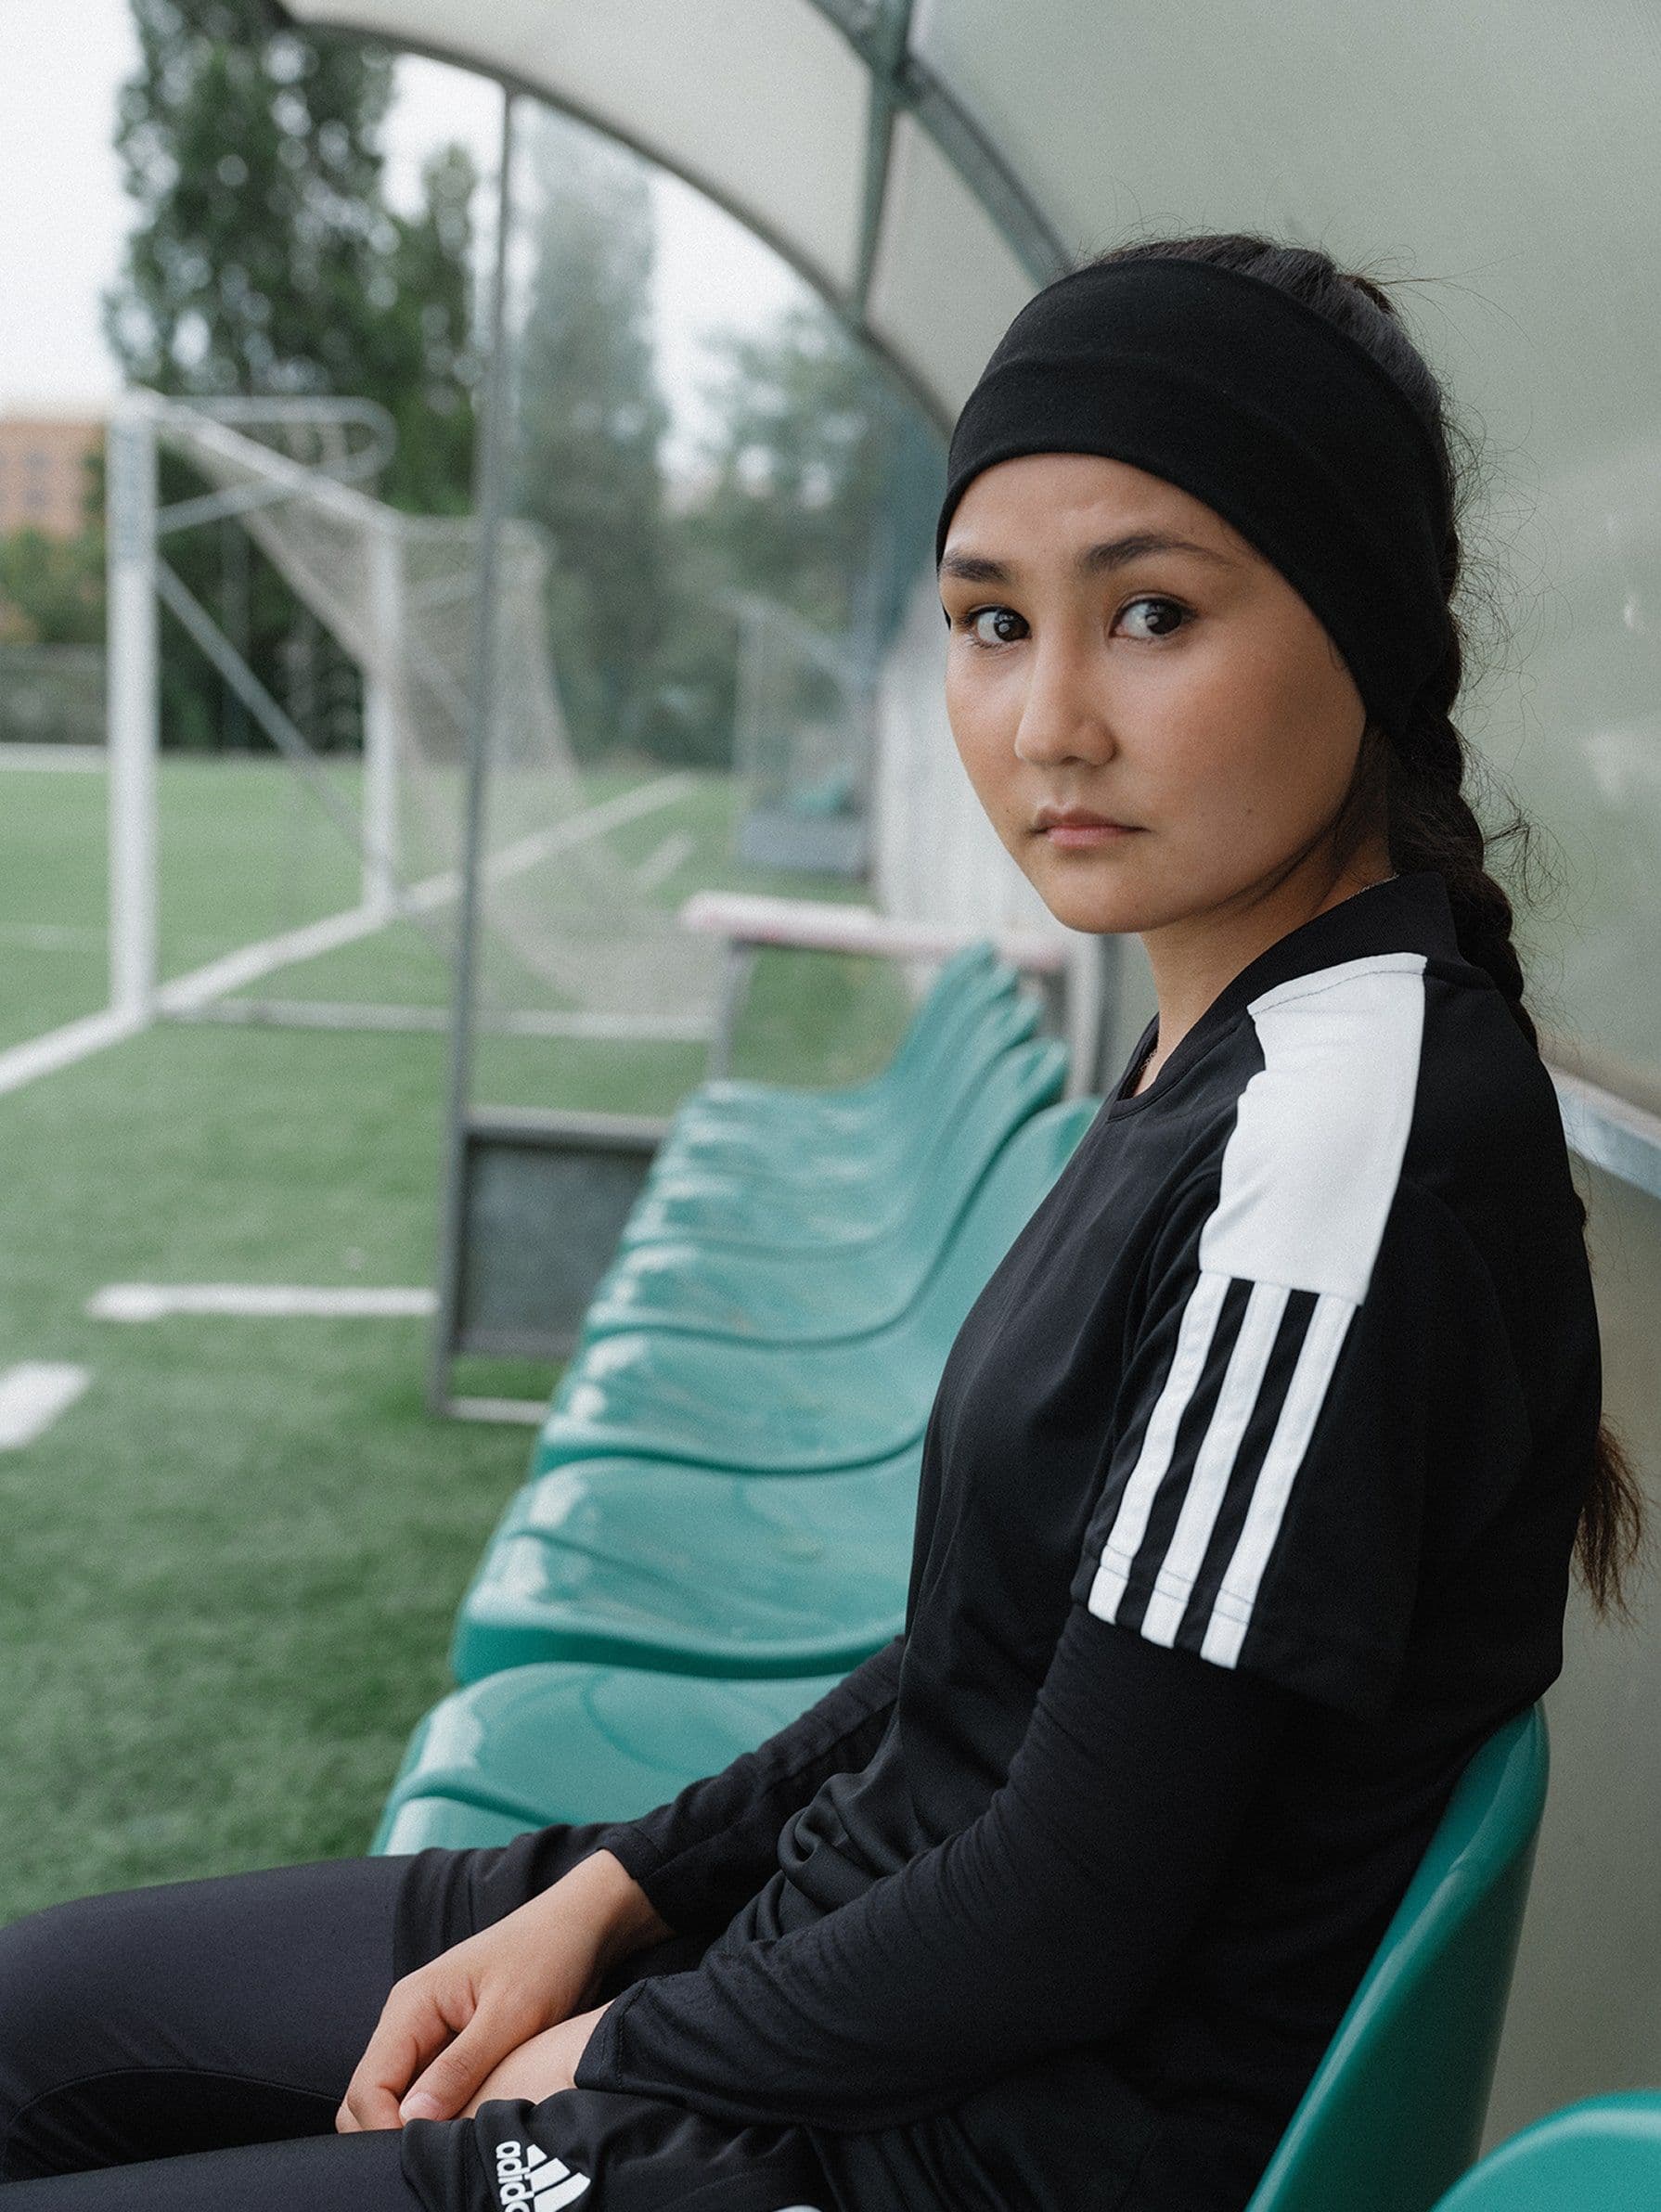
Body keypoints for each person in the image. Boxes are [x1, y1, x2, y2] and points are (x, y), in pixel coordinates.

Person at [0, 231, 1643, 2212]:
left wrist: (609, 2050)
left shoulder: (1347, 1127)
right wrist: (613, 1890)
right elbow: (982, 1663)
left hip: (947, 2140)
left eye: (1147, 612)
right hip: (814, 1960)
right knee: (38, 2019)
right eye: (986, 621)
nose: (1047, 723)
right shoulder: (1227, 1048)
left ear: (1363, 632)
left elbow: (1074, 1905)